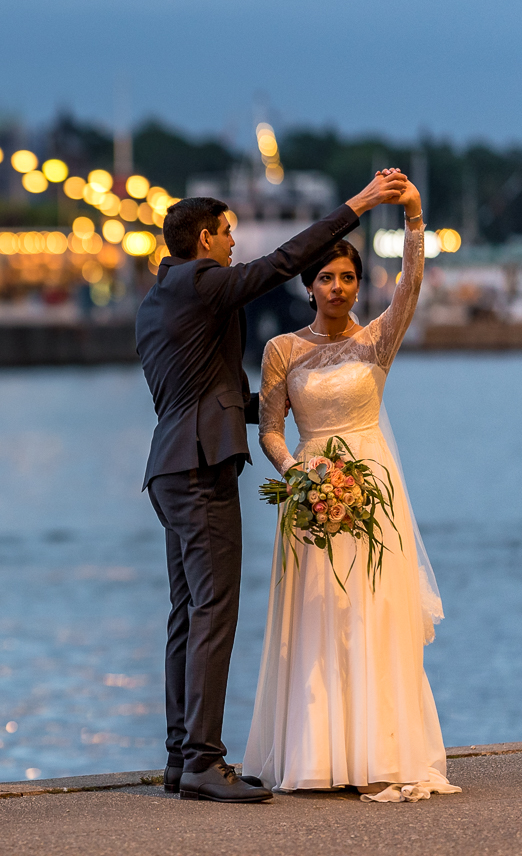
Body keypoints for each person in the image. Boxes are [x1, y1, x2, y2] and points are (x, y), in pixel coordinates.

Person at [135, 171, 407, 803]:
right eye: (228, 233)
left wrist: (291, 405)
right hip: (200, 469)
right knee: (213, 610)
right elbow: (283, 263)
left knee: (187, 612)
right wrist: (359, 205)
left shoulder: (159, 298)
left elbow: (208, 394)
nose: (235, 243)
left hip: (170, 467)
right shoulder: (203, 284)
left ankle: (181, 757)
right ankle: (204, 761)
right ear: (205, 239)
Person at [242, 178, 461, 803]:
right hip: (311, 493)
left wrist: (415, 216)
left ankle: (379, 749)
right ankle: (316, 751)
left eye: (347, 278)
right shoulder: (282, 349)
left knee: (372, 612)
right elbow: (272, 431)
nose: (338, 288)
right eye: (327, 278)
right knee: (316, 614)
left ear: (358, 286)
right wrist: (299, 476)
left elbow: (411, 287)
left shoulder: (377, 341)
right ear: (307, 285)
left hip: (374, 490)